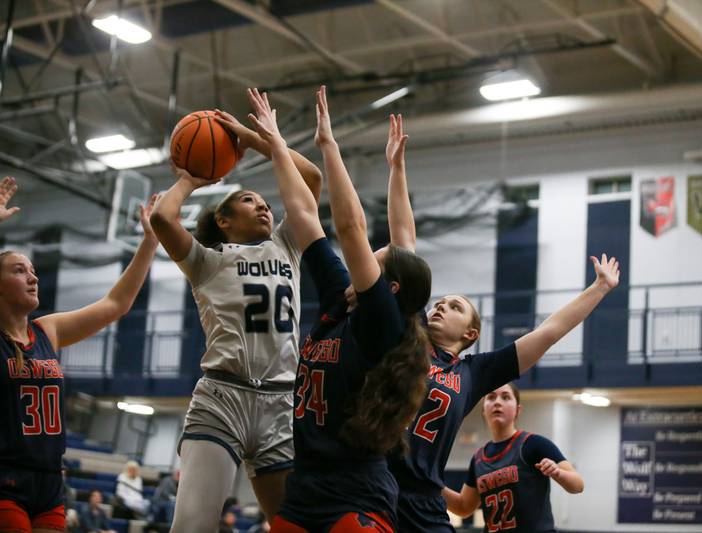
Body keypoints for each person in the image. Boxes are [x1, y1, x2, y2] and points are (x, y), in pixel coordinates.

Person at [369, 117, 619, 531]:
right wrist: (397, 170)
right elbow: (403, 244)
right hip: (377, 488)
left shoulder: (474, 373)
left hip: (425, 502)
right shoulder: (408, 337)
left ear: (470, 333)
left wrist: (599, 289)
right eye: (439, 302)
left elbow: (549, 331)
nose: (439, 307)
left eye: (453, 306)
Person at [240, 85, 430, 532]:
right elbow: (305, 216)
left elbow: (349, 226)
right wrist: (276, 145)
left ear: (389, 285)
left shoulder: (382, 321)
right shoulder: (338, 299)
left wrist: (327, 144)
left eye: (375, 259)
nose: (364, 257)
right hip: (305, 488)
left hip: (355, 495)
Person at [150, 89, 323, 532]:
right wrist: (192, 179)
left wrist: (257, 138)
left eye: (264, 201)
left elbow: (312, 179)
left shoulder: (287, 245)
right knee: (193, 527)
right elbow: (164, 219)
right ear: (224, 221)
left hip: (282, 402)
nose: (264, 204)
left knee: (293, 527)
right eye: (248, 200)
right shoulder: (206, 261)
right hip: (222, 398)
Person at [0, 190, 158, 533]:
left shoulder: (47, 331)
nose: (33, 277)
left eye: (33, 270)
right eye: (19, 270)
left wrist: (149, 241)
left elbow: (116, 304)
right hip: (6, 478)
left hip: (51, 482)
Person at [444, 383, 583, 532]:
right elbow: (463, 507)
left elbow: (578, 485)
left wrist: (558, 472)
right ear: (484, 410)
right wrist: (432, 485)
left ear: (517, 410)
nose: (497, 402)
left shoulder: (534, 444)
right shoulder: (478, 458)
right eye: (491, 397)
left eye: (506, 397)